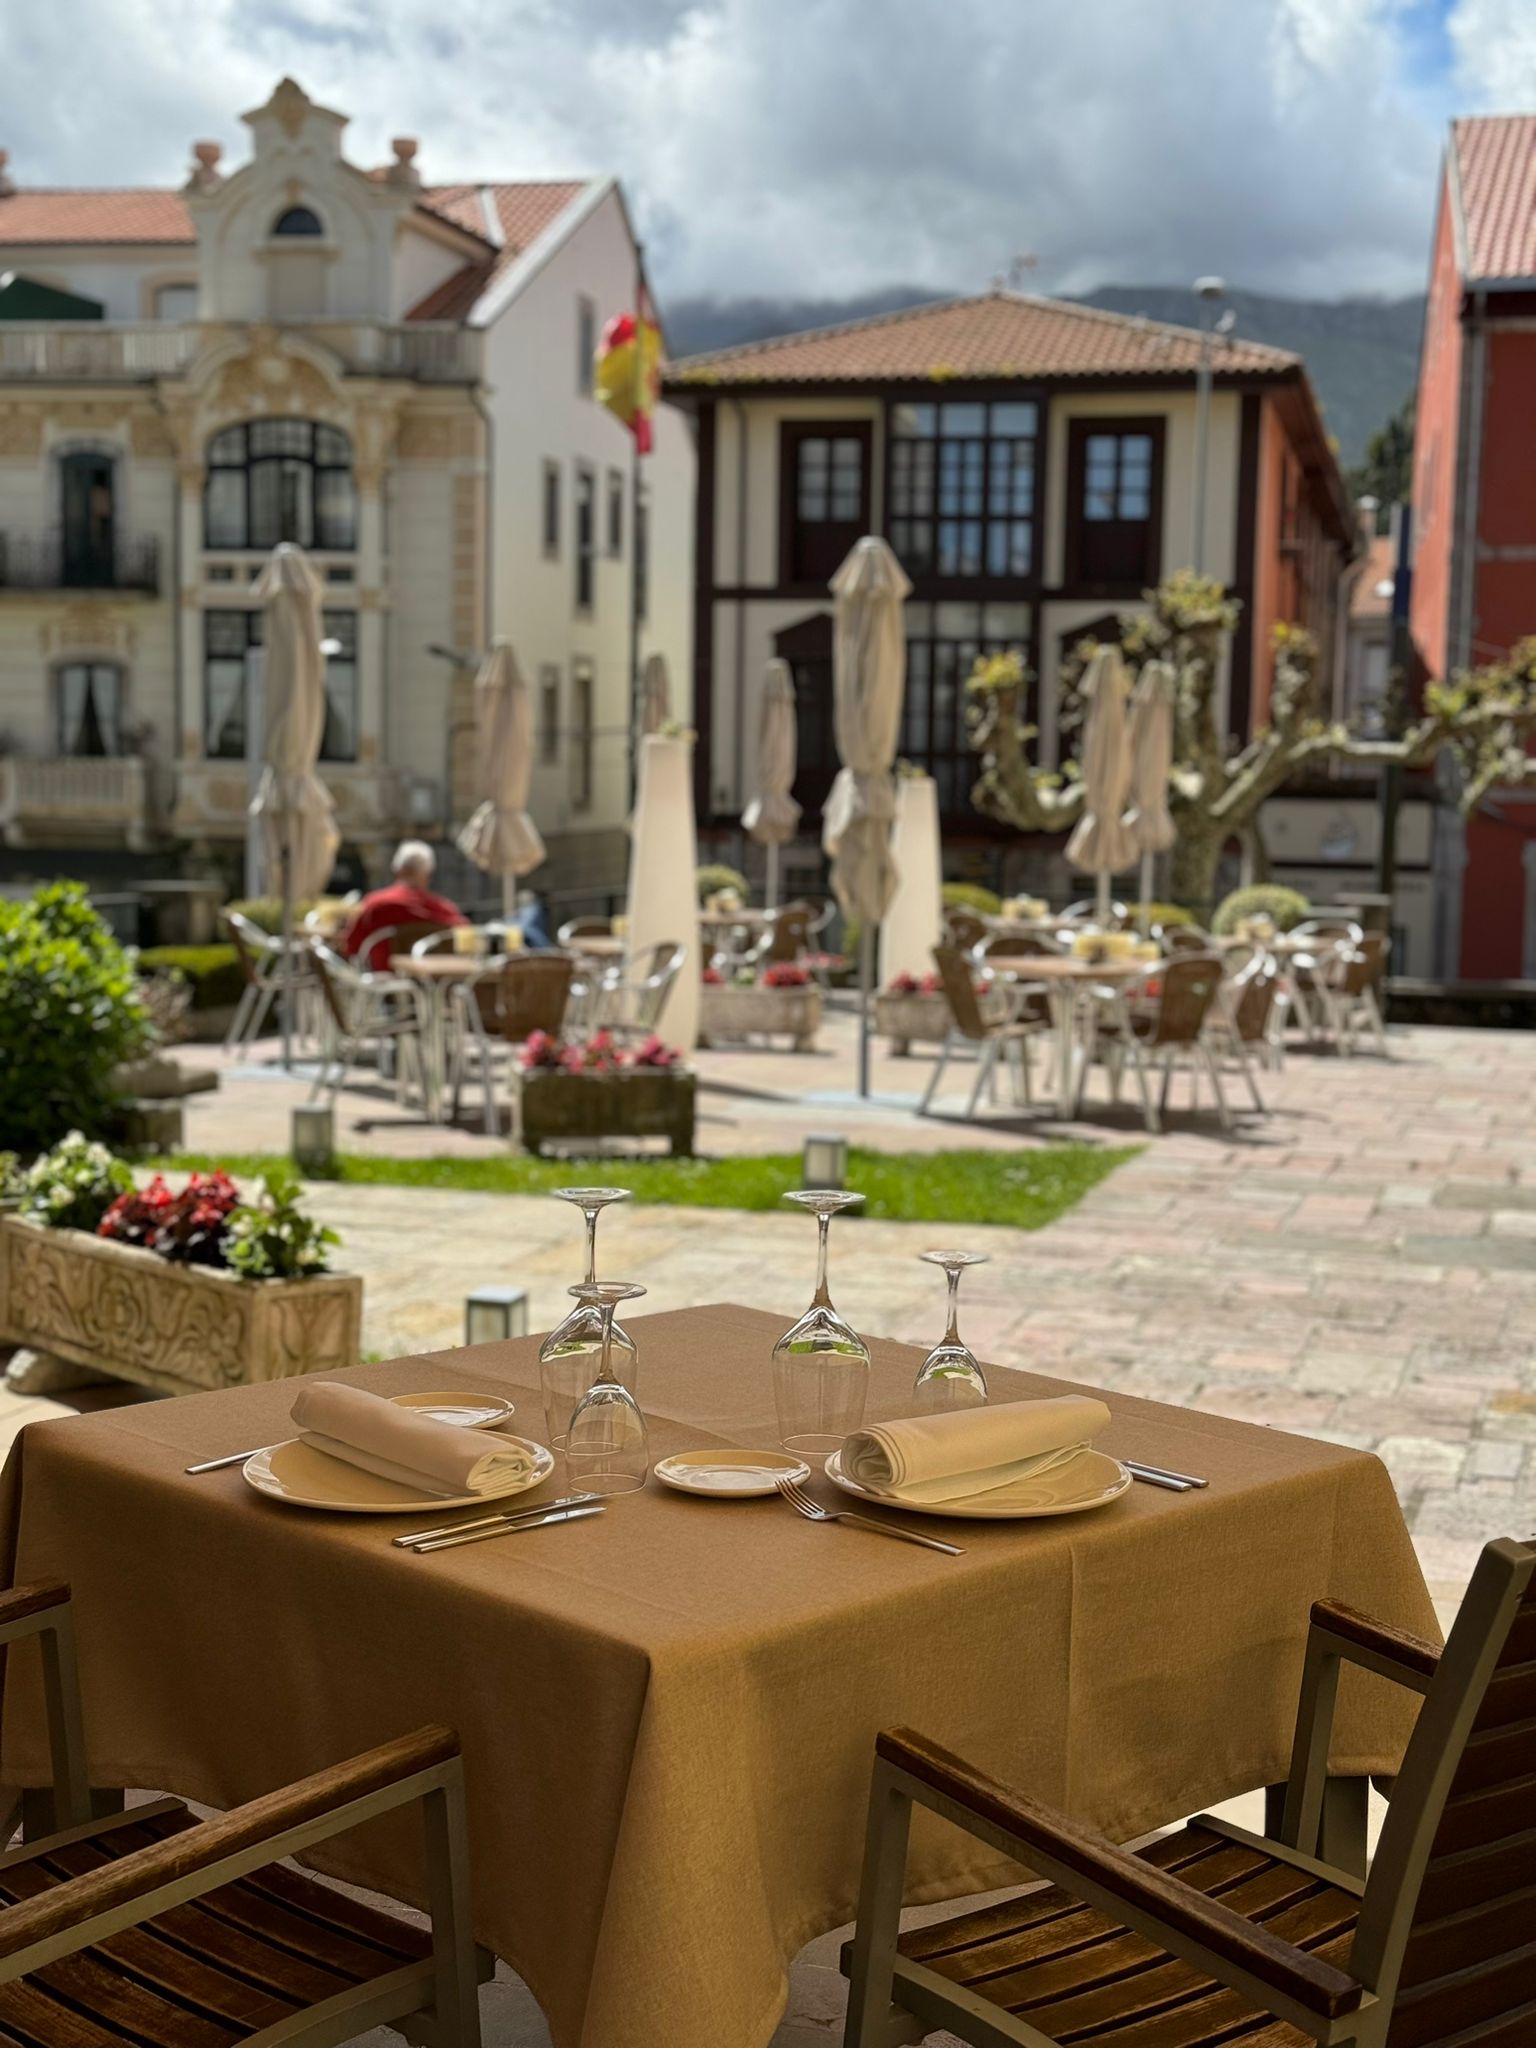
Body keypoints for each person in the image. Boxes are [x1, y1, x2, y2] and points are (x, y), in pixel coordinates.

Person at [342, 841, 467, 972]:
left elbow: (350, 946)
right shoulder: (445, 909)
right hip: (432, 981)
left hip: (381, 979)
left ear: (396, 869)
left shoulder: (373, 904)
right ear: (428, 873)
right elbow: (465, 938)